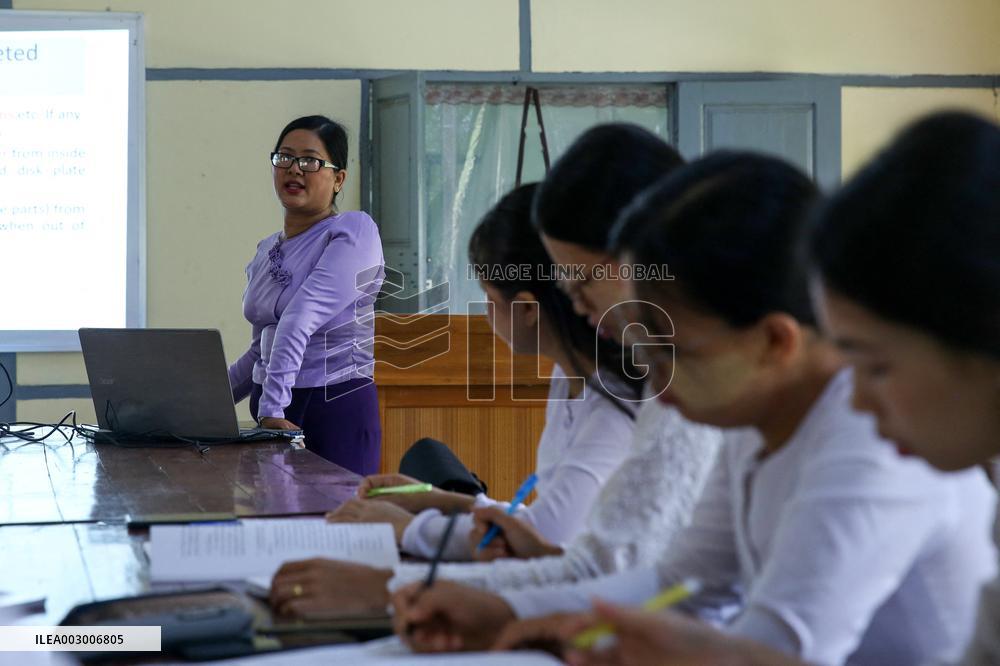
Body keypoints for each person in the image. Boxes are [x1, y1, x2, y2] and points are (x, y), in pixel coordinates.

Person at [391, 150, 997, 666]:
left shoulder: (868, 434)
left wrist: (551, 621)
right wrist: (504, 609)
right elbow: (682, 585)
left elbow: (782, 648)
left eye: (673, 354)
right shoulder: (753, 416)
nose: (658, 386)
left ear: (773, 342)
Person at [326, 183, 639, 559]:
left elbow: (546, 536)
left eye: (489, 298)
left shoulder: (616, 399)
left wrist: (407, 527)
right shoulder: (568, 377)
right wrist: (440, 500)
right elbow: (541, 526)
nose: (487, 312)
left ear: (527, 308)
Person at [228, 115, 385, 474]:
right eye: (284, 157)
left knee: (335, 511)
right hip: (273, 409)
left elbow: (301, 317)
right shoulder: (267, 249)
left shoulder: (353, 232)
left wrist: (272, 409)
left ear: (338, 179)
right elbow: (261, 349)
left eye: (310, 161)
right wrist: (204, 405)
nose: (294, 169)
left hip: (333, 407)